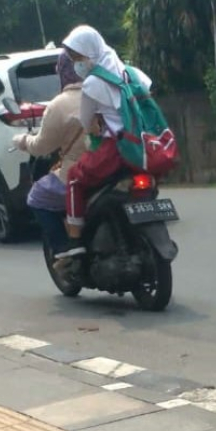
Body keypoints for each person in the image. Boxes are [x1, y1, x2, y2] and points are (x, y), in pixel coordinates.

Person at [56, 25, 152, 260]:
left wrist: (99, 124)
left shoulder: (93, 83)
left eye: (78, 57)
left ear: (90, 52)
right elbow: (148, 93)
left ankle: (75, 239)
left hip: (117, 149)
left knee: (74, 178)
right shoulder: (130, 71)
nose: (77, 63)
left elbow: (86, 123)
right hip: (146, 145)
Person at [13, 50, 85, 256]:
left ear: (62, 73)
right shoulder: (106, 92)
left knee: (36, 196)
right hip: (117, 163)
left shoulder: (59, 104)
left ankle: (63, 248)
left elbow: (42, 147)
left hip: (80, 172)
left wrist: (23, 141)